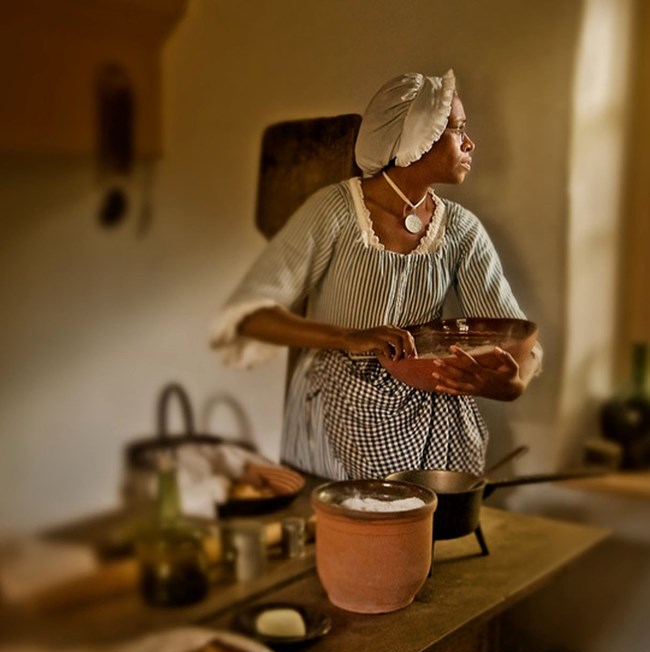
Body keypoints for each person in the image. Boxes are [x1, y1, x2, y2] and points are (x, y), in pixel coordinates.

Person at [210, 69, 542, 480]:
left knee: (428, 530)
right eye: (457, 130)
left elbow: (513, 337)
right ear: (416, 138)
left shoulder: (460, 229)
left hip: (431, 413)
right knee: (351, 529)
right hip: (337, 408)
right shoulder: (335, 212)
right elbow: (250, 315)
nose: (470, 143)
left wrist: (511, 384)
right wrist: (347, 337)